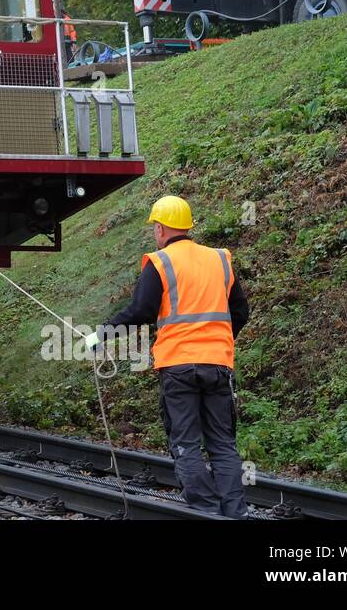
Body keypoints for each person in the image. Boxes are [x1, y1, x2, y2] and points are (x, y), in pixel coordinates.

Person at [93, 195, 251, 517]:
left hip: (178, 367)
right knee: (222, 445)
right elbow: (241, 311)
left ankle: (206, 512)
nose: (154, 232)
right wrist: (218, 341)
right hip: (218, 365)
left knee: (187, 444)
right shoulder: (220, 259)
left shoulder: (160, 262)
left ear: (162, 228)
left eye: (155, 227)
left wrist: (100, 335)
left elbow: (140, 311)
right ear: (188, 227)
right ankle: (235, 513)